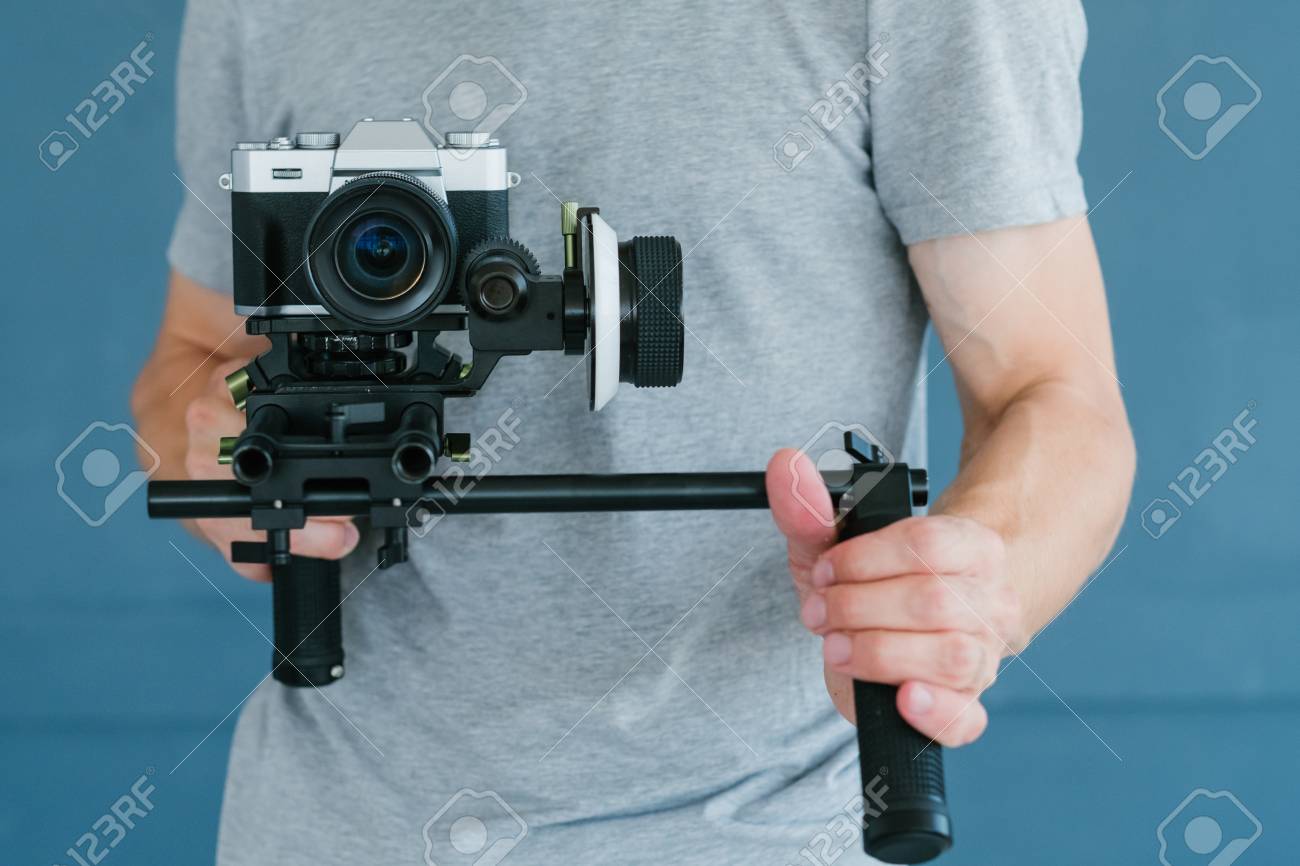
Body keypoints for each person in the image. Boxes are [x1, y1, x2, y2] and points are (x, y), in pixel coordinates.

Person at [131, 1, 1134, 863]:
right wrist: (216, 448)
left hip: (751, 831)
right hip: (331, 825)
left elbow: (1057, 399)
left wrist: (968, 585)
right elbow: (193, 358)